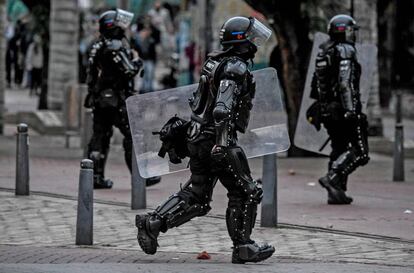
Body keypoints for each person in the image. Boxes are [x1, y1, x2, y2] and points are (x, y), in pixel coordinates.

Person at [136, 16, 275, 264]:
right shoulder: (236, 67)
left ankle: (153, 223)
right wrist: (222, 143)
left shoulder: (215, 62)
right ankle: (243, 247)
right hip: (216, 138)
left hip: (197, 136)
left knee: (198, 195)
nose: (256, 42)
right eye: (251, 36)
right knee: (247, 191)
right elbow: (222, 109)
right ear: (241, 40)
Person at [84, 9, 160, 189]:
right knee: (133, 134)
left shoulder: (97, 45)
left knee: (100, 137)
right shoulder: (114, 46)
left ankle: (94, 176)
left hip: (100, 99)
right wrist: (136, 60)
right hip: (116, 100)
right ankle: (141, 176)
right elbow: (129, 70)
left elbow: (90, 75)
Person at [307, 15, 370, 204]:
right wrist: (351, 109)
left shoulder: (324, 51)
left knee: (339, 148)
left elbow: (316, 86)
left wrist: (325, 106)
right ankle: (333, 178)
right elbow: (345, 83)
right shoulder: (345, 50)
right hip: (342, 109)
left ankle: (336, 192)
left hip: (327, 110)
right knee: (360, 152)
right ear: (345, 31)